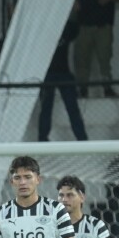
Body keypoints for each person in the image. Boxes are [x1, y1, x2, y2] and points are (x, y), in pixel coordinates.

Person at [73, 0, 119, 97]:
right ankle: (83, 88)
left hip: (103, 26)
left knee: (105, 58)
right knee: (81, 58)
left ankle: (107, 88)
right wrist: (74, 1)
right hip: (84, 25)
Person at [38, 12, 89, 141]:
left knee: (72, 108)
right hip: (48, 73)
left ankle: (82, 139)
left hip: (63, 72)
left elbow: (76, 27)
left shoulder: (65, 27)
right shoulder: (41, 29)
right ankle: (42, 139)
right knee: (46, 108)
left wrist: (75, 11)